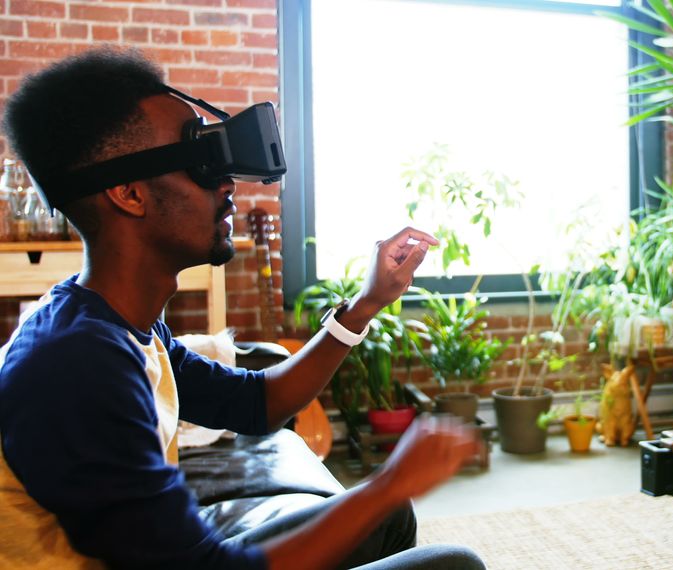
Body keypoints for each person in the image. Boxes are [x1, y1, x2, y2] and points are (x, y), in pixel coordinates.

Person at [0, 47, 484, 569]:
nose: (228, 185)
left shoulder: (118, 325)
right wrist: (389, 481)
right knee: (454, 563)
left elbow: (258, 405)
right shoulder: (77, 366)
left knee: (387, 516)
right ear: (128, 195)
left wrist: (364, 306)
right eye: (201, 164)